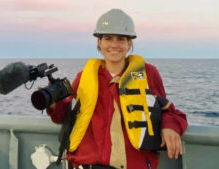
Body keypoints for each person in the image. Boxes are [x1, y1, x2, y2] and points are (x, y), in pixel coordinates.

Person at [46, 9, 187, 169]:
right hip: (86, 164)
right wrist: (52, 104)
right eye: (108, 38)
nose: (114, 45)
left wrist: (170, 127)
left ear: (129, 43)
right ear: (99, 42)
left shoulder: (148, 74)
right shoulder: (84, 76)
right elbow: (65, 117)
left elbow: (169, 111)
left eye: (121, 39)